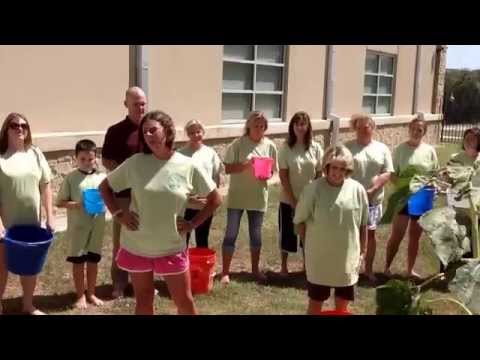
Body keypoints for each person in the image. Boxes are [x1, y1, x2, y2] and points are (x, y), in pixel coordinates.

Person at [99, 110, 222, 315]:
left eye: (153, 130)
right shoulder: (136, 162)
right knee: (144, 300)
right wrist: (119, 214)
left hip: (171, 247)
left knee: (184, 301)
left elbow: (215, 199)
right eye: (144, 132)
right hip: (137, 246)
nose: (148, 135)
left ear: (167, 130)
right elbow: (105, 187)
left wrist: (192, 224)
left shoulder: (186, 165)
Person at [293, 145, 368, 314]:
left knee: (342, 305)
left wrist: (363, 250)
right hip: (320, 259)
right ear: (326, 167)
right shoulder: (313, 189)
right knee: (315, 302)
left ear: (348, 170)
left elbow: (363, 224)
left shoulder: (358, 190)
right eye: (334, 167)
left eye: (342, 169)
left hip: (347, 258)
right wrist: (308, 249)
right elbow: (300, 221)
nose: (337, 172)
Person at [0, 113, 55, 315]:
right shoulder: (1, 158)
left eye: (24, 125)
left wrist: (50, 215)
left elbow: (46, 186)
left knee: (30, 266)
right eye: (14, 125)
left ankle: (28, 305)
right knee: (1, 267)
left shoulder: (35, 154)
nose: (20, 128)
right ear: (6, 129)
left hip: (31, 222)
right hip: (6, 225)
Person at [221, 111, 278, 284]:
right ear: (248, 126)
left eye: (262, 126)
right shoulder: (238, 144)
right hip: (238, 196)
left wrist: (267, 175)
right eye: (256, 125)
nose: (259, 129)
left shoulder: (270, 146)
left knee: (256, 235)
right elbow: (228, 169)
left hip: (258, 197)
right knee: (231, 233)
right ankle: (225, 272)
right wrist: (247, 164)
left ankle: (255, 270)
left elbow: (273, 171)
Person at [102, 86, 147, 298]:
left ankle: (144, 282)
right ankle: (119, 283)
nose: (141, 107)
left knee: (146, 237)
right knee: (122, 239)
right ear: (126, 104)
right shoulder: (116, 131)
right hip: (123, 194)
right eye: (136, 103)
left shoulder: (151, 129)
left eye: (143, 103)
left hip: (147, 195)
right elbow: (106, 160)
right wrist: (125, 174)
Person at [384, 117, 439, 279]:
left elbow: (434, 173)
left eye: (419, 130)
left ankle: (410, 270)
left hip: (423, 196)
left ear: (424, 132)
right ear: (409, 129)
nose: (416, 132)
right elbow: (392, 174)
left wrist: (432, 189)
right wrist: (404, 186)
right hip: (404, 197)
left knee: (415, 236)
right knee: (397, 234)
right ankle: (387, 267)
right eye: (413, 129)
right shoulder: (400, 149)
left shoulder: (429, 151)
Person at [56, 139, 106, 309]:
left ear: (96, 158)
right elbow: (60, 202)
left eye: (90, 159)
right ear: (75, 158)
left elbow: (109, 197)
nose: (87, 163)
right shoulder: (71, 178)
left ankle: (91, 293)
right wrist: (76, 205)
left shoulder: (102, 177)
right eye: (82, 159)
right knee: (78, 261)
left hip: (97, 227)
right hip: (78, 227)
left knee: (93, 261)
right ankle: (80, 296)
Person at [345, 114, 394, 283]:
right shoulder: (347, 148)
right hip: (350, 199)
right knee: (350, 233)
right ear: (354, 128)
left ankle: (368, 269)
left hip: (373, 200)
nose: (362, 130)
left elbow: (387, 172)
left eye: (366, 127)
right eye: (358, 127)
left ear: (372, 128)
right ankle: (350, 268)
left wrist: (373, 188)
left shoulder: (382, 148)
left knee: (370, 235)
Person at [278, 111, 323, 276]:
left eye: (303, 124)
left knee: (309, 233)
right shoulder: (285, 148)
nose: (300, 127)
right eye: (297, 124)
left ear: (308, 126)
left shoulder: (316, 147)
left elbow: (319, 174)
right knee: (287, 233)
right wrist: (293, 201)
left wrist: (315, 196)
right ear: (292, 127)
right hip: (289, 199)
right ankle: (284, 266)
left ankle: (307, 265)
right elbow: (283, 176)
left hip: (310, 199)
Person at [178, 120, 223, 248]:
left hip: (205, 206)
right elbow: (177, 181)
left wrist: (212, 200)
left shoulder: (210, 153)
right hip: (186, 205)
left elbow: (216, 177)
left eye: (198, 131)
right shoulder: (180, 154)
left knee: (202, 239)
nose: (195, 135)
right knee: (182, 238)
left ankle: (201, 267)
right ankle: (183, 267)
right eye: (192, 132)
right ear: (187, 134)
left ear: (203, 132)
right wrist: (189, 198)